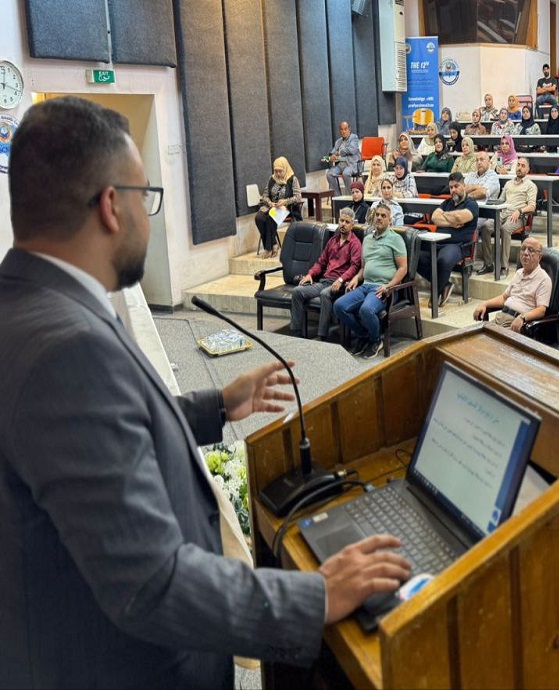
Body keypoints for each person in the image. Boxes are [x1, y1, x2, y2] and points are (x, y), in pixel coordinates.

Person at [0, 96, 411, 688]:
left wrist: (215, 405)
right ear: (112, 206)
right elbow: (152, 583)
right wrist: (315, 596)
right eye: (147, 196)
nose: (150, 218)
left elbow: (102, 432)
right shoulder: (67, 347)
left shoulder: (31, 306)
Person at [334, 201, 409, 358]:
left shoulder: (396, 239)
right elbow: (364, 267)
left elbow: (403, 268)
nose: (379, 218)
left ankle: (376, 340)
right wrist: (356, 278)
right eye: (377, 215)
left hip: (383, 288)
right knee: (339, 306)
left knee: (366, 309)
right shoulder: (367, 239)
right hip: (365, 285)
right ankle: (364, 336)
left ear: (390, 220)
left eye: (383, 216)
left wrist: (389, 286)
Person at [290, 207, 363, 339]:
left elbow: (354, 267)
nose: (343, 224)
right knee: (297, 292)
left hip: (340, 285)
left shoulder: (355, 244)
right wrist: (310, 274)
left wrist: (341, 280)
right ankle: (297, 333)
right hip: (324, 281)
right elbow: (321, 262)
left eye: (347, 222)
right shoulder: (332, 241)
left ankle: (322, 335)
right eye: (341, 221)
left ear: (352, 225)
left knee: (325, 294)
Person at [420, 172, 479, 307]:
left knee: (443, 260)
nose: (453, 190)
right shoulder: (446, 203)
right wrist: (452, 222)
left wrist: (445, 216)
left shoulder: (471, 204)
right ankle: (445, 284)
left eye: (456, 186)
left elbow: (460, 217)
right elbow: (435, 217)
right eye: (451, 187)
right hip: (438, 242)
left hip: (459, 245)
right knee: (416, 256)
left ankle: (436, 292)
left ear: (464, 186)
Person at [473, 237, 551, 331]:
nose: (525, 253)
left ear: (539, 256)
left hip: (516, 324)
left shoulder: (544, 279)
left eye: (531, 250)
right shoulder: (519, 273)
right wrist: (484, 304)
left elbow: (541, 310)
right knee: (474, 335)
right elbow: (504, 298)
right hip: (501, 317)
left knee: (488, 339)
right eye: (523, 249)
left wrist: (523, 317)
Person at [478, 157, 537, 278]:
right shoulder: (508, 183)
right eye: (518, 165)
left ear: (528, 169)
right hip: (503, 213)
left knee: (505, 229)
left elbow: (532, 207)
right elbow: (500, 200)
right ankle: (488, 264)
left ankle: (504, 266)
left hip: (518, 216)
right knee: (485, 227)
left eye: (523, 166)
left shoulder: (531, 185)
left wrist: (519, 211)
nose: (519, 168)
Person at [256, 156, 302, 258]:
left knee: (270, 217)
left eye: (280, 171)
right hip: (272, 207)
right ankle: (273, 244)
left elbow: (298, 197)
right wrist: (269, 202)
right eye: (275, 171)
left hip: (286, 208)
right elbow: (265, 195)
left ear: (285, 169)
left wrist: (285, 201)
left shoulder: (292, 179)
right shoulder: (272, 179)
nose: (277, 174)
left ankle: (268, 249)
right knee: (259, 218)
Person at [326, 121, 361, 196]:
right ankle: (337, 197)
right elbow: (332, 152)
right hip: (340, 165)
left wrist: (338, 152)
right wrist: (331, 156)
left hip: (351, 164)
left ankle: (350, 196)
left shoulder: (354, 137)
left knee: (346, 173)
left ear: (349, 129)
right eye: (341, 129)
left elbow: (352, 150)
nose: (343, 131)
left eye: (345, 129)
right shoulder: (338, 141)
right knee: (329, 174)